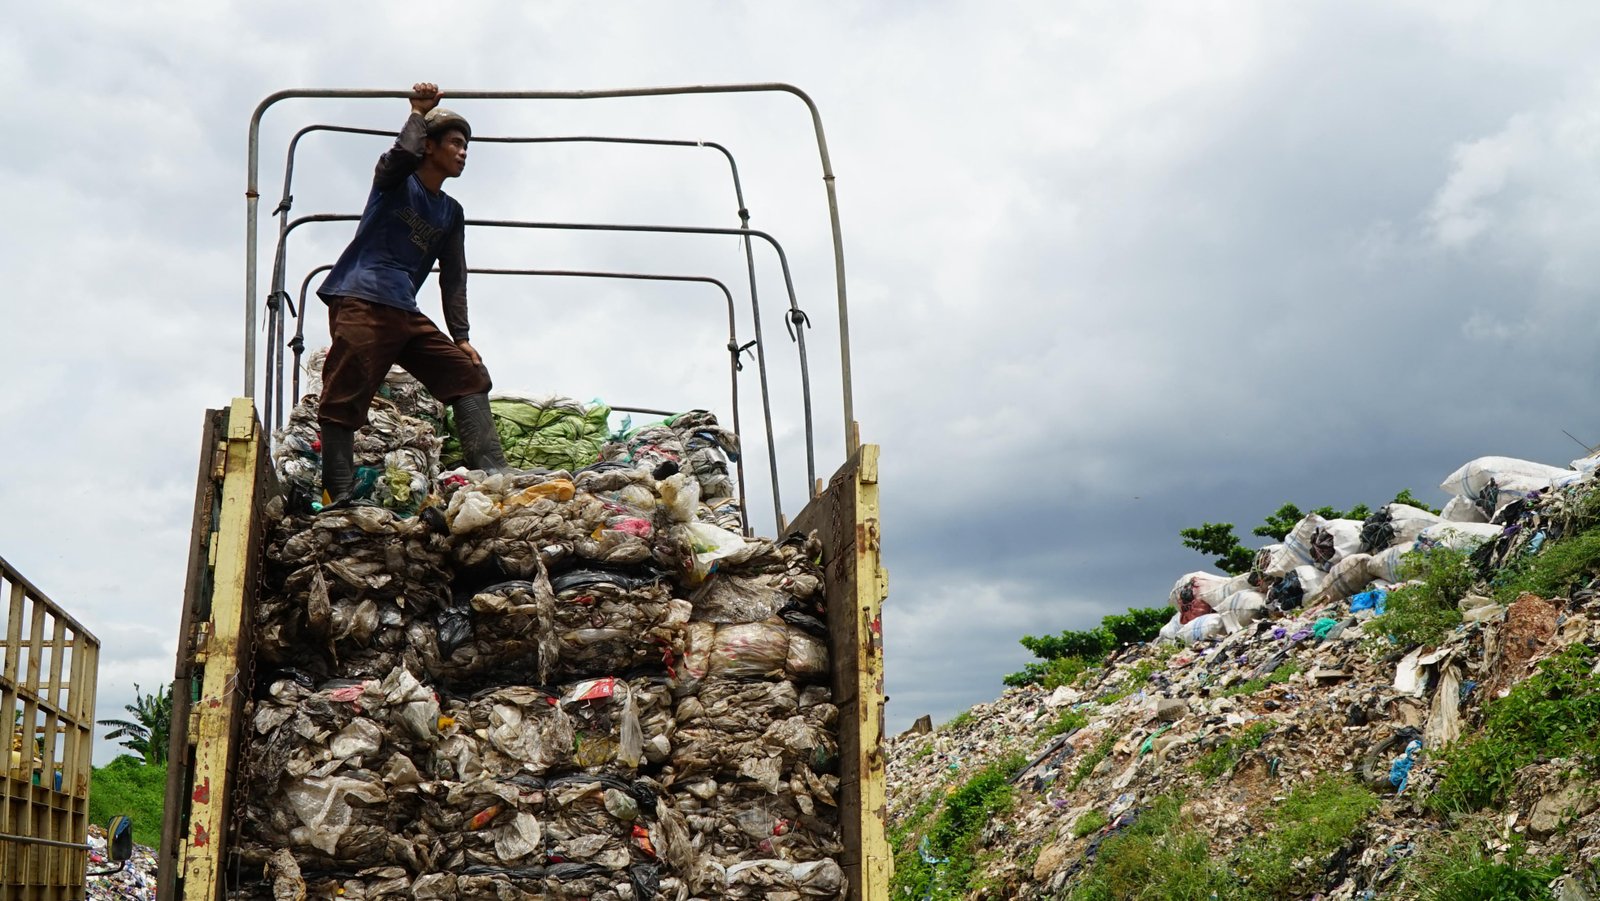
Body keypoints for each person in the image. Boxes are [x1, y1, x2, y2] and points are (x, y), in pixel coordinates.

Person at [315, 82, 509, 507]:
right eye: (455, 143)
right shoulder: (396, 181)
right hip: (361, 299)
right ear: (429, 146)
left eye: (466, 146)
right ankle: (339, 494)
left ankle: (494, 471)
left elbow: (454, 277)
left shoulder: (450, 212)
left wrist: (462, 337)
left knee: (468, 375)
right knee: (344, 395)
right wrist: (418, 114)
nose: (463, 153)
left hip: (403, 310)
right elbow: (401, 155)